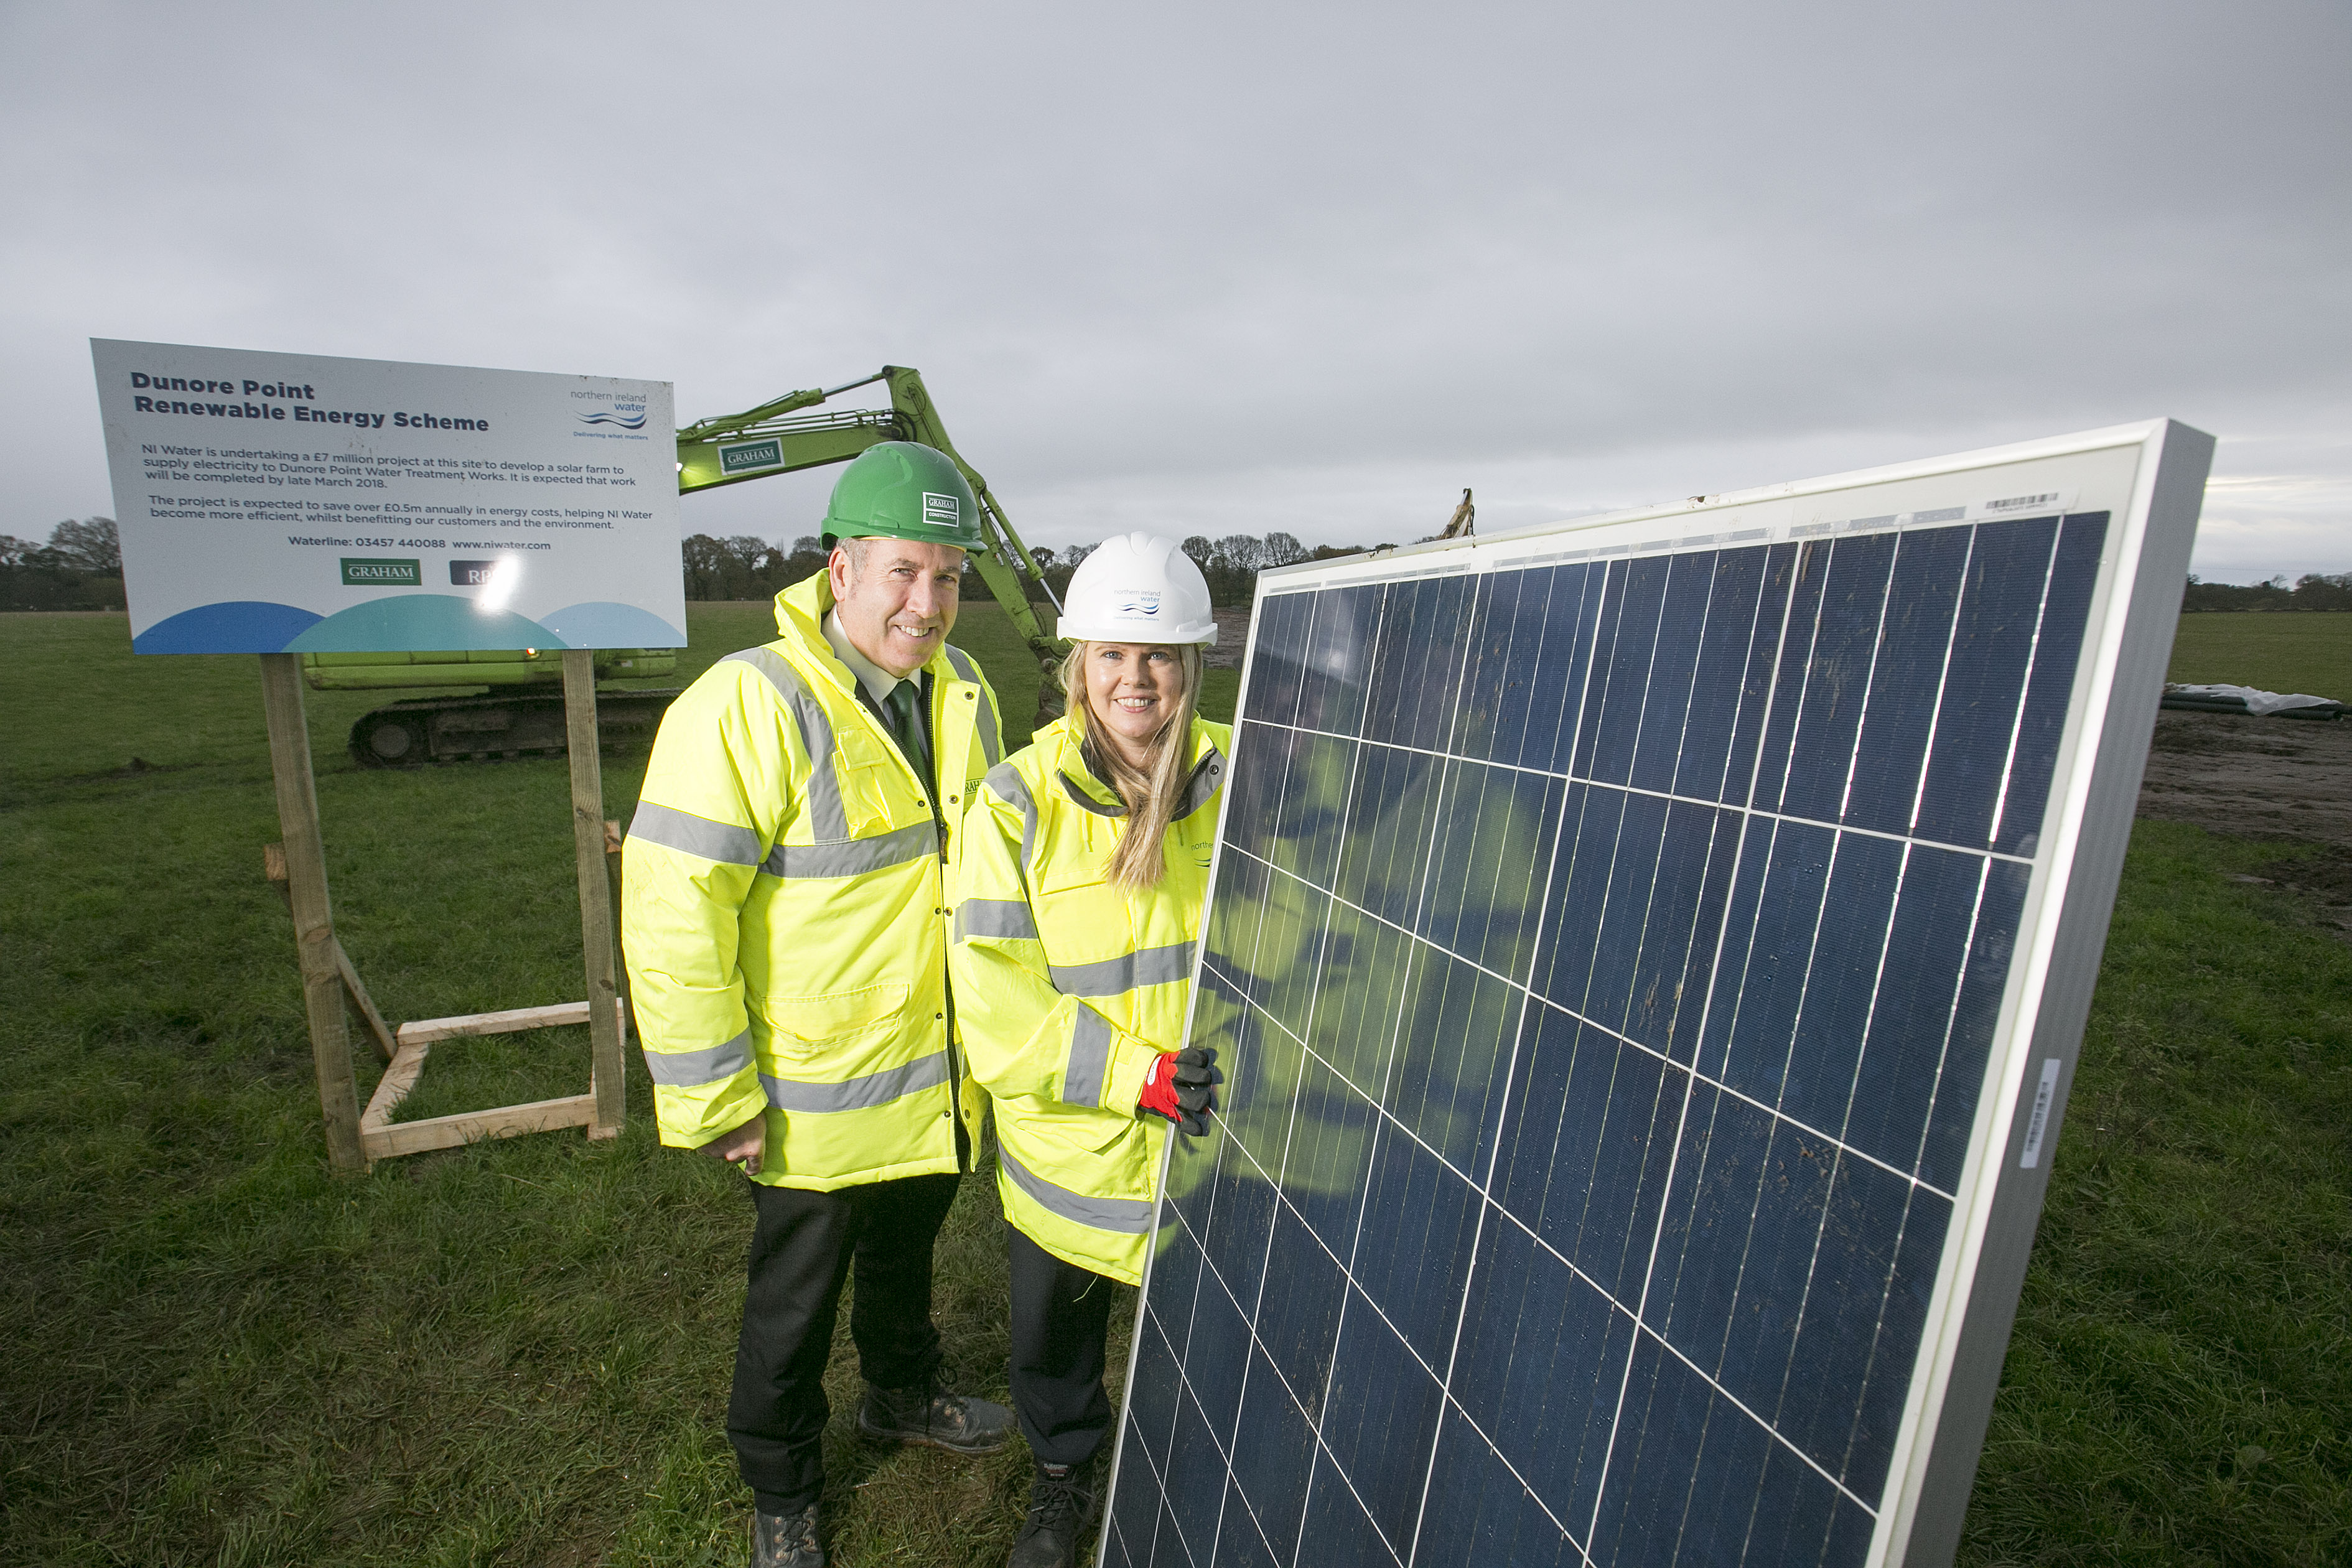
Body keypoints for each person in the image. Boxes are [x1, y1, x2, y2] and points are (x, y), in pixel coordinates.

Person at [623, 441, 1015, 1568]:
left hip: (933, 1073)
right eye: (904, 571)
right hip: (807, 1095)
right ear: (840, 568)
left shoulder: (965, 689)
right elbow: (671, 912)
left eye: (948, 577)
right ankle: (783, 1487)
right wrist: (714, 1097)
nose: (928, 602)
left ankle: (901, 1391)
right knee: (792, 1305)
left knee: (907, 1256)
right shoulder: (747, 700)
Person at [950, 533, 1230, 1568]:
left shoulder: (1251, 779)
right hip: (1077, 1155)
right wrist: (1134, 1076)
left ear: (1191, 666)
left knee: (1215, 1344)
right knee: (1054, 1347)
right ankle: (1063, 1478)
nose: (1135, 678)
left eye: (1158, 657)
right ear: (1077, 666)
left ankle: (1215, 1477)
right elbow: (993, 995)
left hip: (1214, 1143)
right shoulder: (1015, 805)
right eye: (1111, 655)